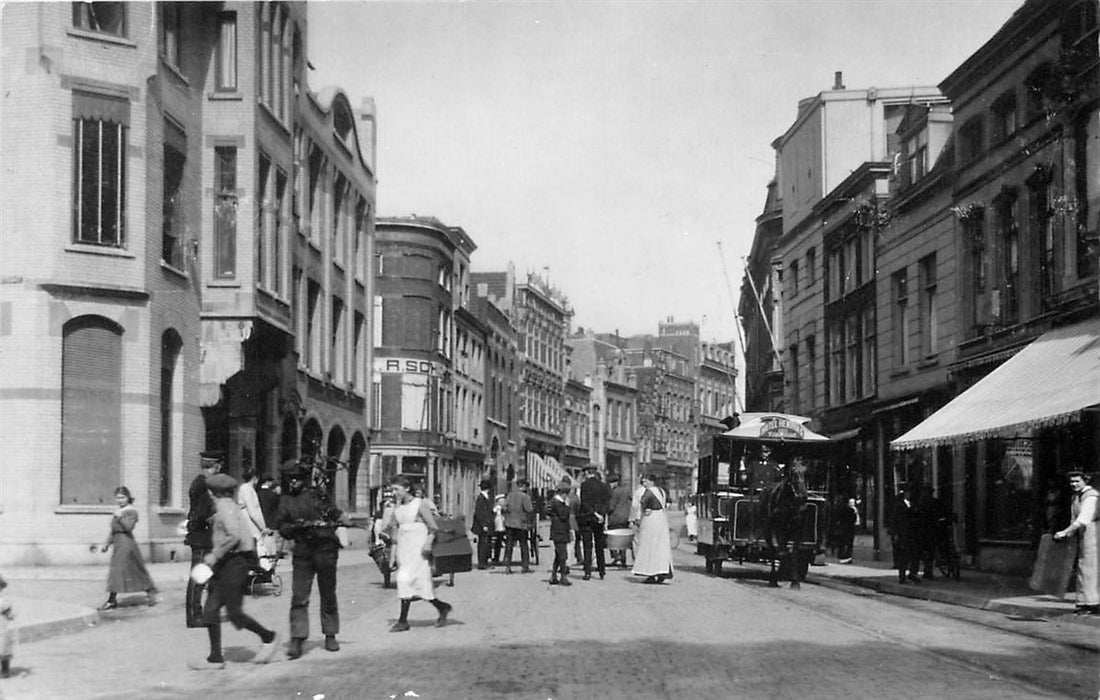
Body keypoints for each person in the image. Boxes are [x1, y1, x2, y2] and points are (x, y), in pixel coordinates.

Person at [189, 473, 279, 671]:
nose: (210, 496)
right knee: (211, 609)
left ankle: (269, 637)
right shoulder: (228, 507)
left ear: (216, 493)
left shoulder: (225, 507)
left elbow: (234, 535)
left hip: (233, 564)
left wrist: (215, 554)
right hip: (227, 564)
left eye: (212, 493)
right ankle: (215, 658)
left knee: (234, 613)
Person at [274, 459, 349, 658]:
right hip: (303, 551)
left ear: (304, 479)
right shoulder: (286, 500)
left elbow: (334, 513)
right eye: (289, 480)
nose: (292, 483)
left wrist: (339, 519)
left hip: (325, 549)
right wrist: (294, 527)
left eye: (296, 479)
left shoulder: (319, 495)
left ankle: (330, 634)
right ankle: (298, 637)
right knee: (299, 595)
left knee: (328, 593)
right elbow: (281, 526)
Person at [385, 476, 453, 632]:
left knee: (411, 581)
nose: (394, 492)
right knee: (410, 582)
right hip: (404, 549)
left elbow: (433, 527)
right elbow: (394, 532)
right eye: (393, 489)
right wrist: (393, 555)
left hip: (418, 549)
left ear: (407, 488)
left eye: (397, 489)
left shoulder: (419, 505)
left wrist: (428, 543)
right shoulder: (397, 508)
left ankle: (403, 620)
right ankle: (442, 607)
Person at [98, 486, 157, 610]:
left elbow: (128, 527)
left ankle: (112, 600)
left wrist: (120, 516)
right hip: (118, 543)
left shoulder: (131, 511)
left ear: (128, 498)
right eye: (118, 497)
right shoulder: (119, 511)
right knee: (131, 569)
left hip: (126, 543)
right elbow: (114, 530)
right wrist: (107, 543)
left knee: (120, 570)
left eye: (123, 497)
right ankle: (150, 592)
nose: (120, 500)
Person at [185, 450, 223, 627]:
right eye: (219, 465)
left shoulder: (202, 483)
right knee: (198, 577)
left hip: (204, 536)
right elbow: (200, 514)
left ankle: (201, 613)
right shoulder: (202, 485)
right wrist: (212, 517)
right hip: (201, 537)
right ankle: (194, 616)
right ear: (215, 465)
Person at [1054, 470, 1099, 615]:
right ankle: (1084, 602)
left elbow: (1084, 518)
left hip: (1094, 534)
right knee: (1083, 567)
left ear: (1085, 481)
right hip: (1084, 535)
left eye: (1077, 481)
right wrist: (1069, 534)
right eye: (1071, 482)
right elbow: (1074, 519)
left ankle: (1093, 603)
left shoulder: (1091, 497)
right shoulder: (1076, 497)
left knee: (1091, 568)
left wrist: (1065, 531)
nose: (1073, 484)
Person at [632, 474, 673, 584]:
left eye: (645, 481)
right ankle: (662, 571)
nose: (644, 483)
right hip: (661, 519)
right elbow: (668, 502)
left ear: (651, 481)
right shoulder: (662, 491)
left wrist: (644, 512)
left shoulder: (649, 492)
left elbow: (642, 503)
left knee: (649, 545)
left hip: (650, 520)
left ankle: (650, 572)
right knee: (661, 546)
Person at [578, 466, 611, 580]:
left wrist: (593, 513)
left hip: (587, 519)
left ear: (587, 473)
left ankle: (588, 572)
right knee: (599, 545)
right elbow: (607, 503)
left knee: (587, 545)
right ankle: (602, 571)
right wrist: (601, 514)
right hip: (599, 520)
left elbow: (584, 503)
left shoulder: (584, 485)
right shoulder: (603, 486)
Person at [238, 468, 272, 571]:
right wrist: (263, 527)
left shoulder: (244, 489)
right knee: (258, 550)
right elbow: (253, 512)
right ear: (254, 478)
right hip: (252, 527)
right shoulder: (247, 489)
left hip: (247, 526)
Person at [891, 485, 922, 585]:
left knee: (914, 555)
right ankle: (902, 576)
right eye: (908, 492)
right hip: (902, 534)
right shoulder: (899, 506)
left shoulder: (913, 505)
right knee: (903, 556)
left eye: (910, 493)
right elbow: (894, 520)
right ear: (905, 494)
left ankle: (912, 573)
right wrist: (895, 533)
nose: (909, 494)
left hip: (912, 534)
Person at [503, 479, 534, 574]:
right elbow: (529, 509)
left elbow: (504, 507)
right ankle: (525, 566)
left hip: (510, 523)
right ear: (524, 486)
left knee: (509, 544)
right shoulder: (525, 497)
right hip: (521, 524)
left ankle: (507, 565)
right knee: (523, 544)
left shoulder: (510, 495)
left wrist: (509, 513)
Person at [547, 480, 574, 586]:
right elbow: (563, 515)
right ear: (563, 493)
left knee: (559, 555)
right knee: (563, 555)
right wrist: (567, 506)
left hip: (559, 531)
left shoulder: (554, 502)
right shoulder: (558, 503)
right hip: (560, 531)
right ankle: (563, 577)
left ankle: (553, 576)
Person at [607, 473, 633, 567]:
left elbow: (611, 506)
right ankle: (623, 559)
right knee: (623, 538)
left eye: (610, 483)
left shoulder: (614, 492)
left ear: (615, 483)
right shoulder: (626, 490)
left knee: (611, 537)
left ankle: (615, 555)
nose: (609, 485)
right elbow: (632, 500)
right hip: (625, 517)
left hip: (615, 518)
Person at [472, 478, 494, 569]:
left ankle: (484, 562)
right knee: (483, 544)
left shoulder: (484, 497)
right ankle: (482, 563)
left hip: (485, 524)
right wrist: (484, 525)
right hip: (482, 525)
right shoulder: (481, 498)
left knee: (486, 543)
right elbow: (479, 513)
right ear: (488, 489)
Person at [834, 497, 858, 564]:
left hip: (842, 529)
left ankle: (842, 556)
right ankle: (847, 557)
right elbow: (854, 520)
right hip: (850, 529)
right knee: (849, 543)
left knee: (842, 544)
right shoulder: (852, 511)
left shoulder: (840, 510)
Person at [0, 575, 14, 679]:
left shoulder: (3, 601)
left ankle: (5, 670)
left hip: (2, 627)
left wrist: (10, 616)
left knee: (4, 649)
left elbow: (9, 615)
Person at [491, 494, 507, 564]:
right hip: (500, 525)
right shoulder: (498, 507)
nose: (502, 501)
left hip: (501, 525)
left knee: (498, 541)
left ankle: (497, 557)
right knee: (499, 540)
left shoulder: (500, 507)